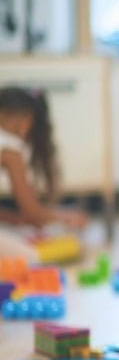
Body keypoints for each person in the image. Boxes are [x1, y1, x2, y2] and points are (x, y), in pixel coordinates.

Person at [0, 87, 86, 259]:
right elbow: (33, 213)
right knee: (30, 256)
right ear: (27, 123)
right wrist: (66, 216)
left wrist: (15, 219)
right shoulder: (10, 148)